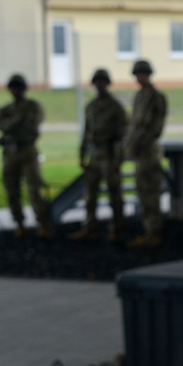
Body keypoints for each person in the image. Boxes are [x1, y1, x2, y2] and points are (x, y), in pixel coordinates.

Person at [73, 68, 127, 241]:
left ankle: (117, 227)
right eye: (97, 82)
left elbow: (122, 135)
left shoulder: (115, 107)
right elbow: (87, 132)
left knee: (114, 192)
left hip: (109, 153)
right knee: (90, 194)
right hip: (94, 154)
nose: (100, 85)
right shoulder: (91, 106)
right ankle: (90, 227)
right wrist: (82, 155)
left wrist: (118, 160)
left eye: (102, 82)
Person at [0, 74, 49, 238]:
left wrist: (13, 126)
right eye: (13, 87)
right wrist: (17, 122)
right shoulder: (6, 109)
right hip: (11, 152)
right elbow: (1, 126)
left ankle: (43, 223)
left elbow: (32, 126)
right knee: (12, 189)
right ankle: (19, 223)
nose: (16, 91)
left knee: (34, 188)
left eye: (18, 87)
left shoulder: (33, 106)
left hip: (27, 151)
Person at [123, 59, 167, 248]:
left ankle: (154, 231)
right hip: (140, 151)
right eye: (137, 74)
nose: (139, 78)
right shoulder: (140, 96)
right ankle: (149, 229)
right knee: (143, 191)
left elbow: (153, 127)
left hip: (148, 150)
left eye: (142, 74)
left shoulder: (155, 97)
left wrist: (139, 142)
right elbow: (134, 124)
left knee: (150, 191)